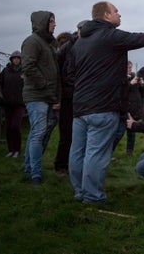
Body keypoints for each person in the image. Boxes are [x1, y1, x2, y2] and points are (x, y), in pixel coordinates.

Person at [67, 2, 144, 204]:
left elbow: (70, 73)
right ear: (106, 15)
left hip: (80, 106)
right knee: (96, 153)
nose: (119, 14)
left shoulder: (80, 43)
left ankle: (79, 192)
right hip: (102, 106)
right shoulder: (110, 36)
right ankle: (92, 197)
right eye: (116, 11)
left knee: (78, 151)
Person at [21, 11, 60, 185]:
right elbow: (28, 66)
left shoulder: (47, 43)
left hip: (45, 95)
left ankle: (29, 168)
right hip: (36, 95)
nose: (54, 25)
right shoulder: (32, 41)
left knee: (35, 133)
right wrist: (43, 84)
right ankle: (35, 174)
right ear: (42, 23)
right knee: (38, 134)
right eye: (51, 21)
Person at [53, 21, 86, 177]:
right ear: (79, 31)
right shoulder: (69, 46)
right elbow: (59, 69)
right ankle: (61, 165)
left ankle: (77, 164)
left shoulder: (85, 44)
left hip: (79, 94)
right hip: (69, 95)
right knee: (66, 133)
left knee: (80, 133)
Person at [110, 61, 144, 155]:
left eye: (130, 67)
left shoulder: (132, 78)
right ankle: (108, 152)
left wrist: (141, 85)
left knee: (131, 132)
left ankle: (129, 152)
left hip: (133, 109)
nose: (129, 69)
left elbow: (141, 93)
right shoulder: (119, 79)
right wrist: (130, 84)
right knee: (119, 133)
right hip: (124, 110)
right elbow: (121, 93)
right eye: (128, 67)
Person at [0, 50, 25, 158]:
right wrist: (0, 98)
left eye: (18, 58)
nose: (16, 60)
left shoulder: (24, 71)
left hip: (20, 103)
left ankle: (17, 149)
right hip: (7, 103)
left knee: (15, 126)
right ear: (11, 59)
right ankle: (11, 149)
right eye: (14, 58)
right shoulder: (5, 71)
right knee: (8, 127)